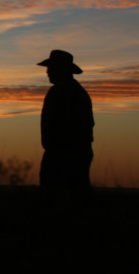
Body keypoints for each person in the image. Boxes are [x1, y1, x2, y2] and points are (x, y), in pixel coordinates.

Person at [37, 50, 94, 196]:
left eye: (51, 68)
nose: (48, 72)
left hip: (63, 155)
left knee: (55, 195)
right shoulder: (76, 92)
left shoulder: (61, 92)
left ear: (61, 69)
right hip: (72, 153)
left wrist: (57, 148)